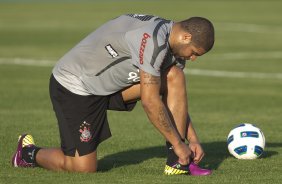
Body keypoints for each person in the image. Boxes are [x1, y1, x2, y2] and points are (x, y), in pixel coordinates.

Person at [12, 14, 215, 175]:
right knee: (83, 168)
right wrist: (179, 143)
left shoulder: (174, 47)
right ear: (186, 37)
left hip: (109, 86)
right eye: (195, 52)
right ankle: (27, 153)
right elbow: (150, 101)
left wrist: (192, 139)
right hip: (76, 86)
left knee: (174, 76)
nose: (193, 58)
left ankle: (176, 162)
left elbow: (174, 98)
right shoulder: (153, 41)